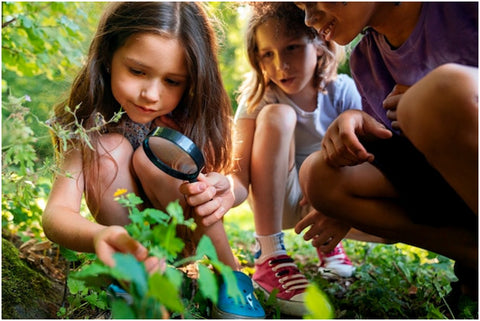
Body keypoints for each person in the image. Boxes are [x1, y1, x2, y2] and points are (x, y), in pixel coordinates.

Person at [42, 2, 265, 319]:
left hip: (187, 238)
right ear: (108, 57)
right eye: (137, 71)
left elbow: (236, 185)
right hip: (132, 243)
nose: (151, 94)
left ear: (192, 80)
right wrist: (100, 235)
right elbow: (56, 213)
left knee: (156, 154)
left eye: (172, 81)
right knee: (109, 149)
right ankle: (138, 275)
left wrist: (226, 191)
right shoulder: (89, 124)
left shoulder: (189, 121)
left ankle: (228, 276)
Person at [183, 2, 363, 316]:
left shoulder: (343, 91)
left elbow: (364, 159)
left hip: (329, 201)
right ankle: (269, 255)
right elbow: (238, 177)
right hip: (278, 201)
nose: (281, 65)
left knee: (349, 132)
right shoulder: (258, 99)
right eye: (268, 54)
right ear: (257, 58)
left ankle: (329, 245)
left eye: (292, 48)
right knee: (278, 115)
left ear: (319, 44)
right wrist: (225, 188)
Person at [294, 2, 478, 301]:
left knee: (443, 90)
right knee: (319, 174)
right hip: (449, 190)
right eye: (301, 6)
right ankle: (472, 256)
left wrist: (431, 100)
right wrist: (355, 121)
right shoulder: (366, 60)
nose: (310, 17)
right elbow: (404, 154)